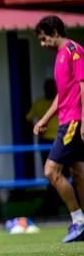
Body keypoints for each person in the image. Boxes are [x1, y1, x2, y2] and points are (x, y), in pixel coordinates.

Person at [33, 15, 84, 243]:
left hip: (73, 121)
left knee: (51, 171)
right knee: (78, 174)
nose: (43, 44)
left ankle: (78, 220)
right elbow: (62, 96)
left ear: (54, 32)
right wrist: (44, 119)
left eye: (44, 39)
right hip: (66, 119)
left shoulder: (74, 51)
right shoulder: (59, 57)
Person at [26, 78, 58, 166]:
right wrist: (36, 130)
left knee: (63, 168)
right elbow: (28, 118)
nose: (51, 90)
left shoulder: (60, 101)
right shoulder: (39, 102)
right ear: (44, 89)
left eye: (53, 87)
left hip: (60, 138)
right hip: (45, 140)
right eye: (48, 88)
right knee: (48, 167)